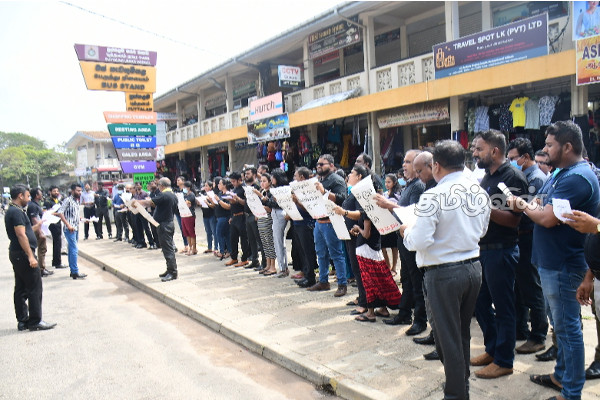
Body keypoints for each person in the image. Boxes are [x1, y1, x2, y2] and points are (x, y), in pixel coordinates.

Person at [509, 121, 600, 400]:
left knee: (568, 330)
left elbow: (547, 218)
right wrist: (531, 206)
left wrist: (522, 206)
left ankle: (571, 392)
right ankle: (561, 377)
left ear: (568, 146)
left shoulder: (577, 177)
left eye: (549, 145)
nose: (545, 149)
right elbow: (541, 203)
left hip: (564, 265)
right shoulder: (562, 172)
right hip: (552, 263)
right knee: (560, 327)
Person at [402, 140, 491, 400]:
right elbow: (482, 230)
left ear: (436, 166)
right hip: (472, 268)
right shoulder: (479, 192)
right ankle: (460, 384)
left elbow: (418, 241)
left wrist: (406, 232)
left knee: (448, 337)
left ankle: (456, 393)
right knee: (459, 332)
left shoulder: (434, 195)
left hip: (443, 274)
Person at [470, 130, 527, 379]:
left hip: (501, 251)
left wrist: (484, 207)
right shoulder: (486, 177)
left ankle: (505, 360)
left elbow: (514, 221)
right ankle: (492, 349)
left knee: (504, 307)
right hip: (483, 251)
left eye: (478, 149)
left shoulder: (513, 177)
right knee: (479, 302)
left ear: (494, 151)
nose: (474, 153)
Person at [335, 165, 401, 322]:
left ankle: (370, 312)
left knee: (369, 280)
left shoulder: (365, 204)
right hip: (372, 246)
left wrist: (355, 225)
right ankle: (383, 308)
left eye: (351, 172)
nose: (349, 175)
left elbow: (366, 232)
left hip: (366, 247)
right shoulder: (371, 201)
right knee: (378, 278)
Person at [507, 138, 549, 354]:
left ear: (525, 157)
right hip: (520, 236)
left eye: (513, 158)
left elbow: (534, 212)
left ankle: (539, 334)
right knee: (520, 285)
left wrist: (515, 207)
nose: (511, 161)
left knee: (531, 286)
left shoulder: (536, 179)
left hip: (530, 236)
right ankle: (521, 329)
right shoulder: (525, 176)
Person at [382, 150, 427, 337]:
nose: (405, 165)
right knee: (406, 279)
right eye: (405, 162)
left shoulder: (418, 186)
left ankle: (420, 320)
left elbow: (413, 213)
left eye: (409, 162)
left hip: (412, 239)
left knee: (416, 281)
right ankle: (404, 313)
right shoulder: (408, 186)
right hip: (403, 239)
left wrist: (389, 205)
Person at [6, 184, 56, 331]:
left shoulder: (14, 211)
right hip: (22, 254)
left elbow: (25, 231)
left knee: (21, 288)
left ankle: (22, 320)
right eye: (27, 196)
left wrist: (38, 225)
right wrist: (30, 256)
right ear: (20, 196)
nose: (29, 199)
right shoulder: (16, 212)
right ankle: (35, 321)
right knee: (34, 287)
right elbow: (21, 234)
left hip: (17, 254)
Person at [308, 154, 349, 298]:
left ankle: (342, 284)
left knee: (336, 254)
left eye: (322, 164)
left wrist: (324, 192)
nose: (319, 167)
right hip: (319, 222)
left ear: (331, 165)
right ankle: (323, 281)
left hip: (331, 222)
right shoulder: (319, 180)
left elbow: (342, 198)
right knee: (321, 253)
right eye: (317, 164)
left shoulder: (337, 180)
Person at [133, 177, 180, 282]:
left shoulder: (164, 195)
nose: (158, 187)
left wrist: (137, 202)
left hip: (165, 225)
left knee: (168, 249)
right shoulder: (172, 195)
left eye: (159, 185)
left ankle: (172, 272)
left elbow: (149, 202)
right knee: (166, 248)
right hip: (167, 223)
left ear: (162, 186)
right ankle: (169, 269)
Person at [289, 167, 318, 288]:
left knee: (308, 251)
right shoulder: (297, 190)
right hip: (297, 223)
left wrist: (297, 202)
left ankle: (311, 277)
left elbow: (311, 209)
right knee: (302, 251)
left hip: (306, 223)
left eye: (296, 176)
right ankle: (306, 274)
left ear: (302, 177)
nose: (294, 179)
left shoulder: (309, 189)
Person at [56, 183, 87, 279]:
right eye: (78, 191)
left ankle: (73, 271)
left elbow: (74, 215)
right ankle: (75, 271)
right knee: (74, 249)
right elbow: (60, 212)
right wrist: (68, 225)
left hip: (76, 227)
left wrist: (81, 219)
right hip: (70, 229)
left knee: (72, 249)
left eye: (80, 191)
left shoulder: (76, 201)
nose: (80, 192)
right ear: (72, 191)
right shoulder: (68, 200)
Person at [224, 171, 251, 267]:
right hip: (234, 216)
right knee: (233, 239)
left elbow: (245, 203)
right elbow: (233, 204)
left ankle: (244, 259)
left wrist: (237, 199)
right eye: (231, 181)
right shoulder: (234, 189)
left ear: (240, 180)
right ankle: (234, 257)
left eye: (234, 181)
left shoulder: (244, 189)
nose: (232, 183)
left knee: (244, 239)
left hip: (242, 216)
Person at [266, 168, 289, 277]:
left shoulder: (282, 189)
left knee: (279, 242)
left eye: (273, 177)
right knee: (279, 242)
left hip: (279, 213)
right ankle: (283, 267)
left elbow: (275, 204)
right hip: (276, 214)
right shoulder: (275, 189)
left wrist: (264, 199)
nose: (271, 179)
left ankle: (282, 268)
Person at [254, 173, 277, 276]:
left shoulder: (271, 193)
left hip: (268, 219)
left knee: (270, 242)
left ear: (270, 182)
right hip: (261, 219)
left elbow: (271, 208)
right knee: (264, 243)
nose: (262, 183)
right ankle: (267, 264)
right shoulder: (262, 191)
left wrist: (261, 206)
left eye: (264, 181)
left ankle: (273, 266)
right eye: (261, 181)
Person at [243, 167, 265, 269]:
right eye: (245, 174)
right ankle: (255, 260)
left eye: (248, 173)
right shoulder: (246, 188)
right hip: (247, 216)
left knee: (259, 240)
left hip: (255, 216)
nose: (246, 175)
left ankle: (264, 262)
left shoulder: (257, 187)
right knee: (251, 240)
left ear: (254, 175)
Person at [28, 188, 52, 277]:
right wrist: (40, 232)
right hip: (37, 230)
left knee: (42, 249)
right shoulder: (32, 206)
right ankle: (41, 269)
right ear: (37, 195)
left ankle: (42, 268)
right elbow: (34, 219)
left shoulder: (35, 204)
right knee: (41, 249)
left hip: (40, 229)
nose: (42, 195)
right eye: (40, 194)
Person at [381, 174, 400, 276]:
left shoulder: (397, 195)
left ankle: (394, 267)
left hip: (393, 222)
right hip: (384, 223)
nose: (387, 184)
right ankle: (388, 265)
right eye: (386, 182)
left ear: (394, 183)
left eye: (389, 182)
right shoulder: (384, 194)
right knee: (383, 245)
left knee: (394, 246)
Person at [43, 186, 66, 269]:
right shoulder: (47, 202)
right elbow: (46, 213)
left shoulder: (58, 201)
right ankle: (57, 262)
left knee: (58, 242)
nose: (56, 192)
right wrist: (58, 214)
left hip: (58, 222)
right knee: (57, 242)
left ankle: (56, 261)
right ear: (50, 192)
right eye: (54, 191)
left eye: (57, 191)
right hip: (53, 224)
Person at [200, 181, 217, 254]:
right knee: (208, 232)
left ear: (211, 187)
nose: (205, 187)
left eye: (207, 186)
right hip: (205, 215)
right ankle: (209, 247)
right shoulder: (203, 194)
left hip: (212, 215)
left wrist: (208, 202)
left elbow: (214, 205)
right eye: (205, 186)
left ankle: (216, 247)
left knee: (214, 232)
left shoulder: (212, 195)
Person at [174, 176, 189, 254]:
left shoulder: (185, 190)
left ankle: (189, 245)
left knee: (187, 228)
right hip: (178, 211)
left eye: (178, 180)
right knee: (182, 228)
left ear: (183, 181)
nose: (177, 181)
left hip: (185, 212)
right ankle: (185, 244)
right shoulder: (176, 190)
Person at [181, 181, 197, 255]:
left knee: (191, 232)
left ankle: (194, 248)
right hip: (184, 214)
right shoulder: (184, 195)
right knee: (186, 232)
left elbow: (188, 204)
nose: (183, 189)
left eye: (185, 187)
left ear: (188, 187)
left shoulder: (191, 195)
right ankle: (190, 247)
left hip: (190, 215)